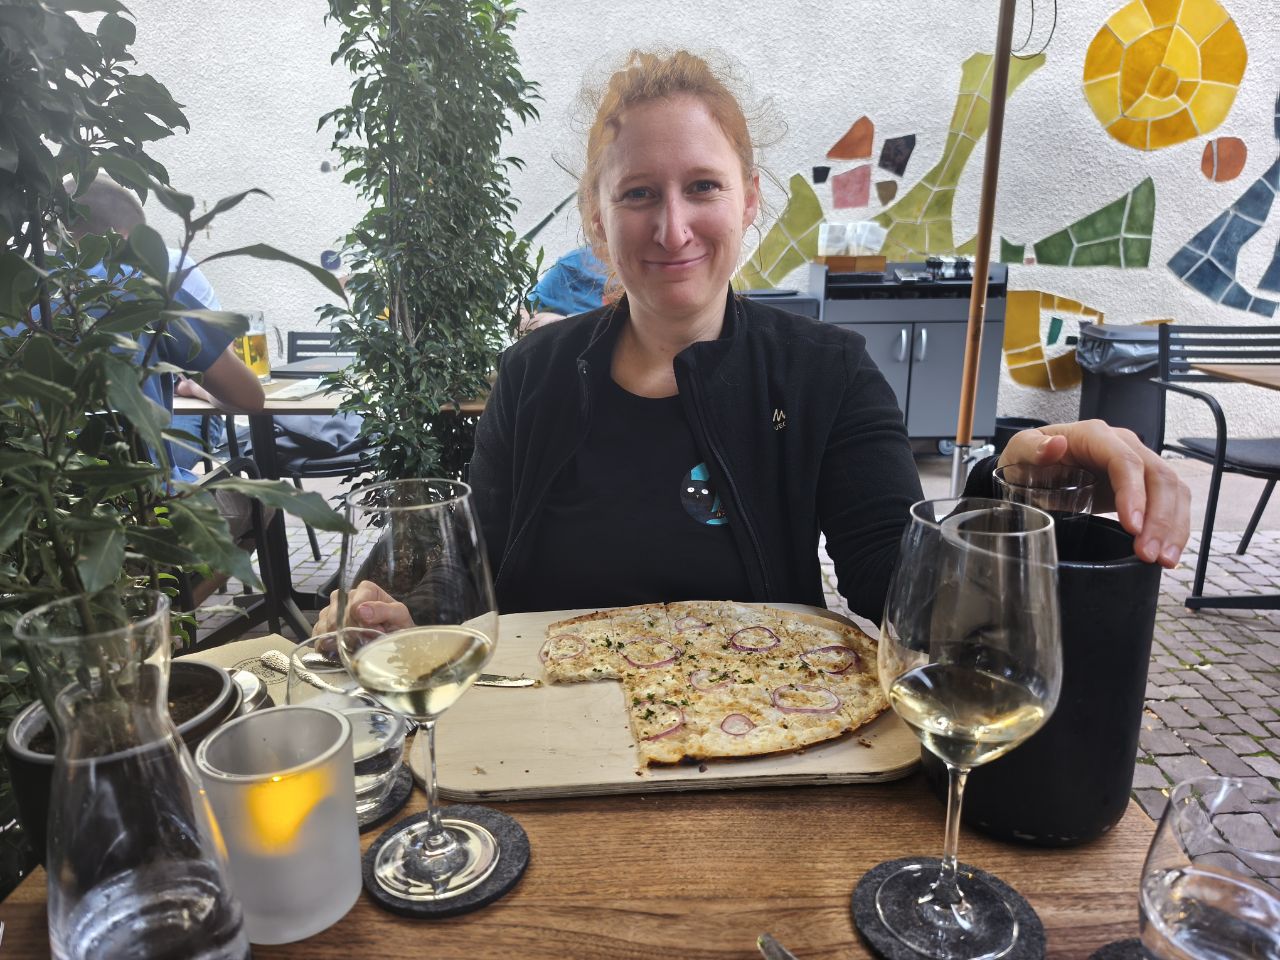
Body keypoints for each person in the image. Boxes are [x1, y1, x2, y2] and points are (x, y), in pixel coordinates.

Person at [325, 49, 1190, 631]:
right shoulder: (533, 374)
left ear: (749, 202)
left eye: (702, 186)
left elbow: (900, 585)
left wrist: (1012, 489)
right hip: (541, 750)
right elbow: (466, 573)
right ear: (596, 217)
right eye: (637, 194)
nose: (672, 228)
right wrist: (390, 606)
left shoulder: (826, 374)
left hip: (751, 748)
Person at [66, 175, 267, 604]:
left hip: (44, 511)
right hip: (140, 509)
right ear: (129, 238)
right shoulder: (147, 289)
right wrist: (202, 390)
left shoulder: (21, 292)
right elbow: (250, 397)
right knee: (264, 502)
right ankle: (168, 618)